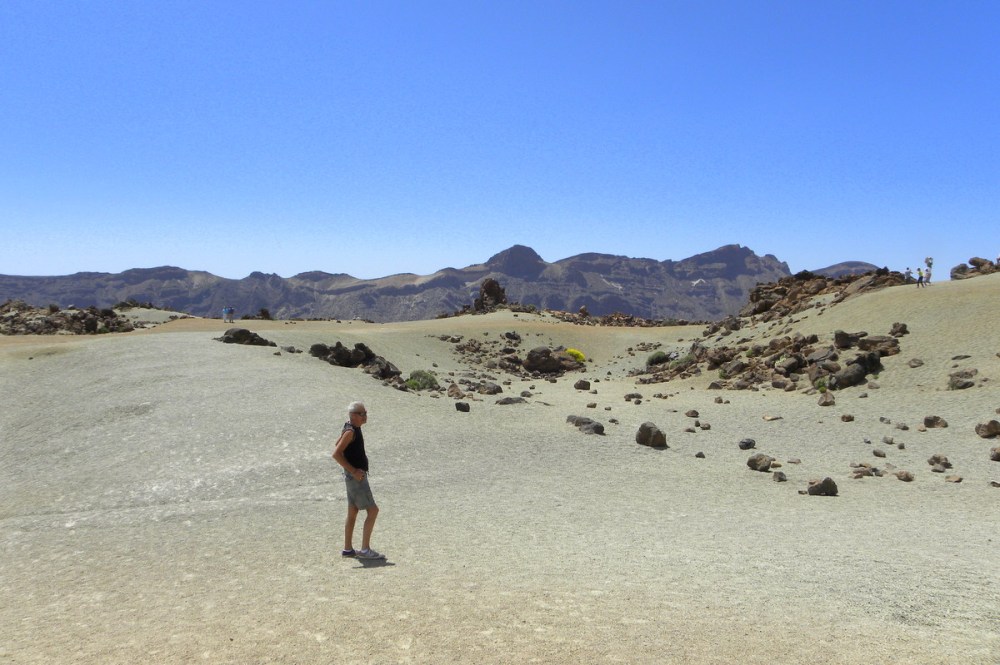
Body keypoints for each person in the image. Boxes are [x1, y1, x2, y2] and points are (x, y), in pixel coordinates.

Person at [332, 401, 384, 560]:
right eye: (362, 414)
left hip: (352, 477)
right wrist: (354, 471)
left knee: (353, 511)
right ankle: (365, 549)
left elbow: (337, 444)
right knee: (373, 510)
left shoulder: (350, 427)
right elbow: (336, 453)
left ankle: (348, 549)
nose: (365, 416)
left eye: (366, 413)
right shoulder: (350, 431)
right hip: (356, 478)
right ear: (353, 415)